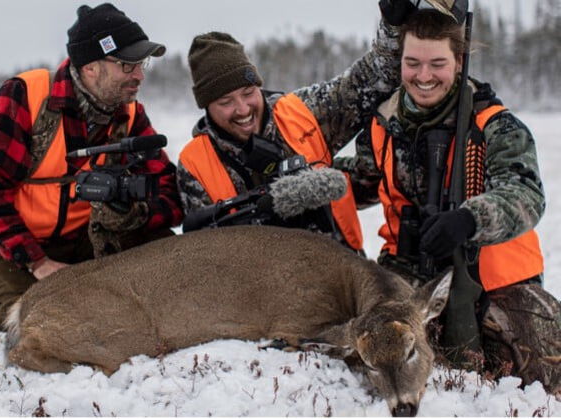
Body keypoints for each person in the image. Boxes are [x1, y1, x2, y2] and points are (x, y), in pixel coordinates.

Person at [338, 7, 560, 395]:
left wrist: (469, 220)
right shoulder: (381, 125)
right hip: (407, 275)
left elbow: (525, 195)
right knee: (365, 350)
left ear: (458, 62)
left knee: (549, 368)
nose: (423, 77)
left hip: (495, 280)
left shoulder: (496, 125)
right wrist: (313, 184)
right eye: (412, 63)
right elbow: (358, 181)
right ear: (400, 63)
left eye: (437, 64)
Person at [0, 3, 183, 330]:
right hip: (5, 245)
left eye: (142, 63)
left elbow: (170, 193)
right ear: (91, 67)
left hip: (82, 237)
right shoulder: (25, 97)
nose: (140, 75)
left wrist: (134, 214)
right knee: (50, 321)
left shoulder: (130, 114)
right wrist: (39, 263)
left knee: (168, 268)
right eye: (127, 64)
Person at [176, 1, 421, 254]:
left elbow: (371, 79)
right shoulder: (194, 164)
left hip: (343, 273)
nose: (243, 109)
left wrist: (393, 26)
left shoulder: (302, 112)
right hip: (260, 287)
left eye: (248, 93)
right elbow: (207, 259)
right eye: (226, 102)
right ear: (206, 106)